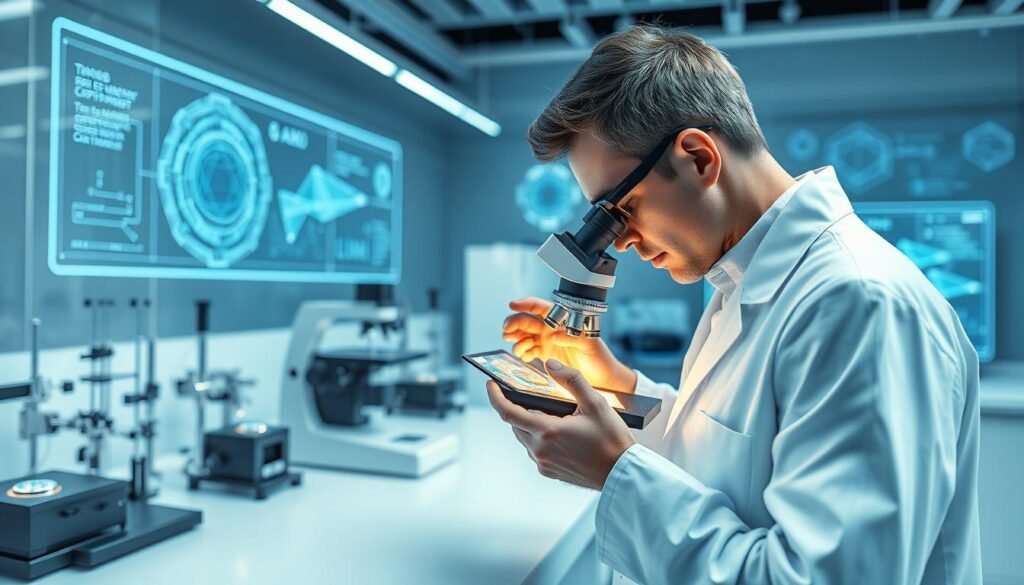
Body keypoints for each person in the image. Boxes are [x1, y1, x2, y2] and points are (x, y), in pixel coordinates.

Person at [486, 24, 981, 585]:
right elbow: (725, 459)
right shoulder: (744, 284)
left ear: (698, 157)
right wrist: (618, 384)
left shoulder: (860, 303)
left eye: (618, 209)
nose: (617, 242)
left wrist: (615, 471)